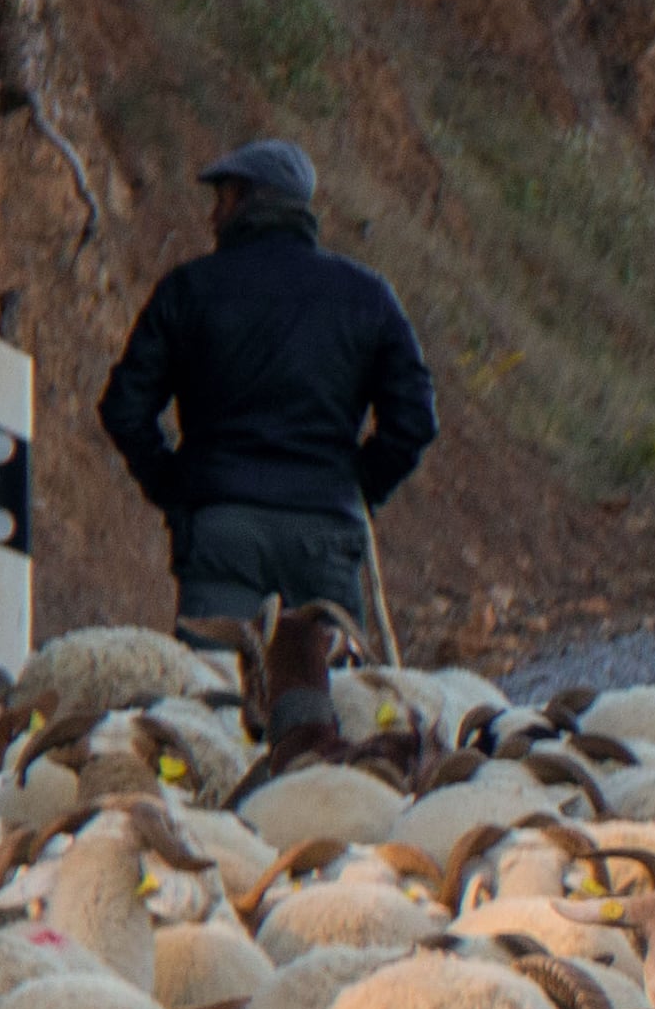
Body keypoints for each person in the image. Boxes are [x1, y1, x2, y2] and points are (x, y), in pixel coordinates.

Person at [98, 137, 439, 643]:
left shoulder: (188, 289)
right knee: (326, 705)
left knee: (214, 703)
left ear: (246, 200)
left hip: (221, 528)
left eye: (221, 200)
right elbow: (414, 420)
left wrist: (176, 486)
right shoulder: (367, 296)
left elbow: (125, 407)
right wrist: (357, 486)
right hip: (323, 534)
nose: (213, 217)